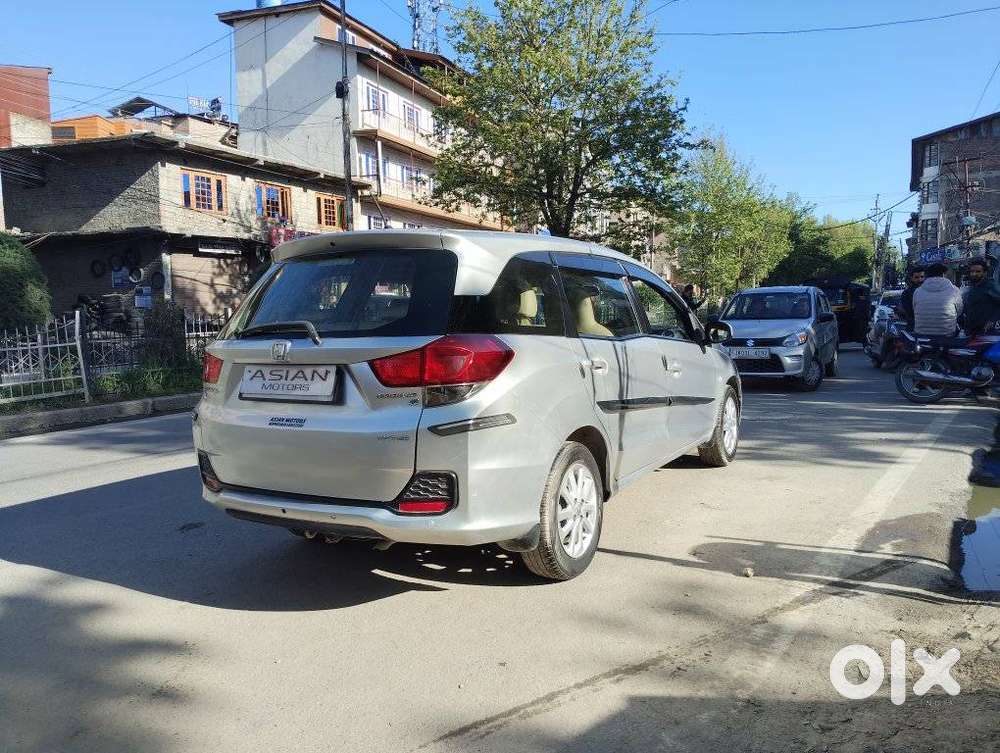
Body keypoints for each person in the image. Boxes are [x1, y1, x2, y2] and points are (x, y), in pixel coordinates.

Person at [913, 263, 963, 337]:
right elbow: (959, 311)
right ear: (943, 274)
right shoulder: (954, 290)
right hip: (948, 334)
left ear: (927, 275)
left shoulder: (917, 291)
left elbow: (915, 310)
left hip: (921, 335)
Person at [962, 257, 1000, 336]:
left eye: (978, 271)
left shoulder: (990, 286)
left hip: (986, 331)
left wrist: (992, 320)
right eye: (972, 271)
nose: (974, 274)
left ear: (985, 273)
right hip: (970, 330)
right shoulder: (972, 285)